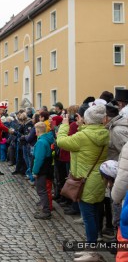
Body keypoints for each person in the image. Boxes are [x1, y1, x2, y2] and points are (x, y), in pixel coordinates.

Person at [57, 105, 109, 262]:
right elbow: (88, 138)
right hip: (98, 179)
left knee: (88, 217)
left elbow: (61, 141)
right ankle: (90, 248)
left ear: (87, 119)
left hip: (84, 181)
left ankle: (92, 252)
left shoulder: (83, 136)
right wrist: (82, 126)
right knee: (93, 214)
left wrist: (65, 124)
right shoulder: (105, 133)